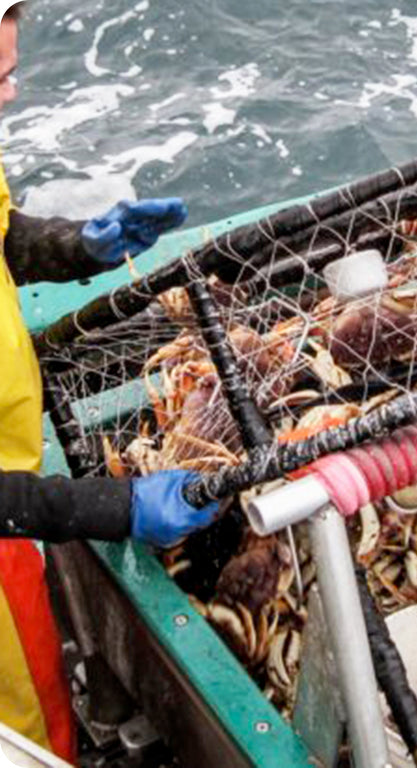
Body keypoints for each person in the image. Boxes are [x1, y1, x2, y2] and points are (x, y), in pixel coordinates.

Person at [0, 3, 219, 760]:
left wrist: (79, 247)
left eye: (11, 72)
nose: (9, 98)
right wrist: (116, 505)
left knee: (48, 705)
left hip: (15, 514)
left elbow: (4, 238)